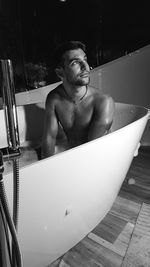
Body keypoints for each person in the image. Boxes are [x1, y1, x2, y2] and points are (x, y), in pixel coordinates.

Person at [41, 41, 115, 158]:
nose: (85, 67)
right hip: (73, 153)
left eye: (85, 60)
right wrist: (43, 168)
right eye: (75, 62)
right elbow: (49, 138)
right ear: (60, 72)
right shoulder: (54, 99)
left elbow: (91, 150)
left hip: (100, 157)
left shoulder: (103, 101)